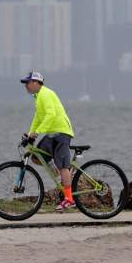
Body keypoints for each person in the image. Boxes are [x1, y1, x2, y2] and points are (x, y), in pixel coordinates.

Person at [20, 70, 77, 212]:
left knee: (63, 166)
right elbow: (38, 118)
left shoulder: (45, 94)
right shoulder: (38, 97)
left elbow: (51, 114)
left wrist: (37, 132)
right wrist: (30, 133)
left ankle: (69, 199)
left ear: (35, 83)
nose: (25, 86)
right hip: (52, 134)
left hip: (62, 133)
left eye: (27, 83)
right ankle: (62, 174)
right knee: (36, 156)